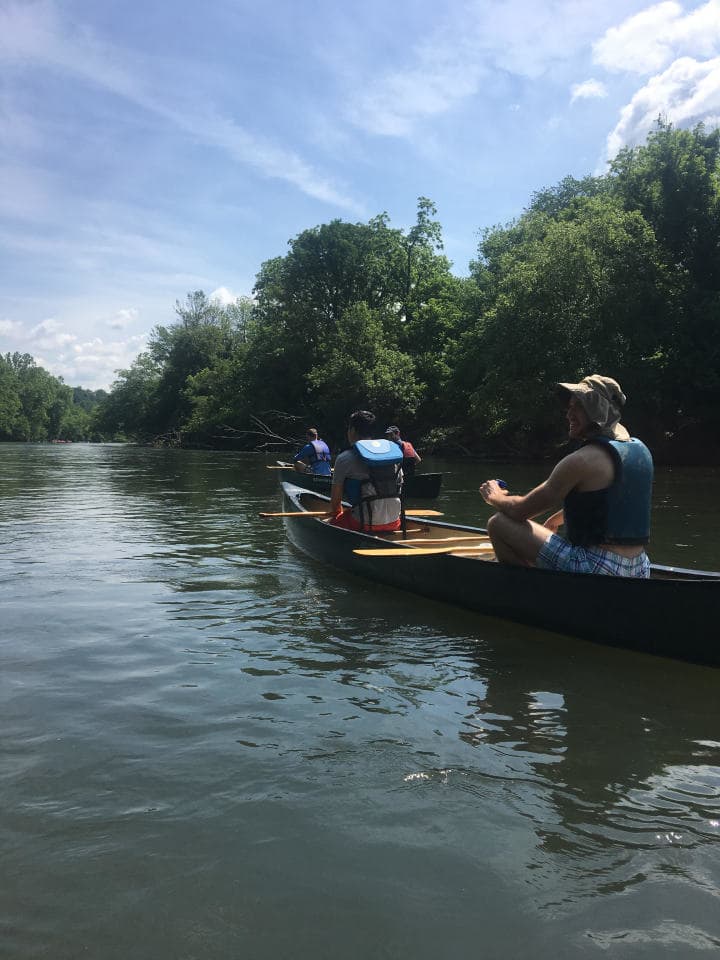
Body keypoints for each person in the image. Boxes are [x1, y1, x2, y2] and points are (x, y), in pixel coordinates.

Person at [479, 375, 653, 578]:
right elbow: (612, 502)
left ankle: (531, 592)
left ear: (596, 410)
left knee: (498, 524)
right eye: (569, 407)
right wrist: (556, 519)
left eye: (578, 406)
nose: (569, 414)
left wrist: (495, 497)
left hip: (595, 566)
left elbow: (520, 511)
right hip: (640, 568)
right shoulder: (640, 451)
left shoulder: (581, 460)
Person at [327, 410, 403, 531]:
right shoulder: (392, 455)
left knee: (331, 521)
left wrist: (337, 517)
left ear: (352, 430)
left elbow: (335, 504)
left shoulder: (344, 458)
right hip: (395, 521)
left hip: (362, 524)